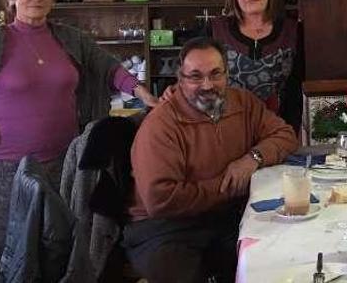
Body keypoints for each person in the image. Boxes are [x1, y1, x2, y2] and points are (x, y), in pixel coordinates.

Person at [0, 0, 157, 268]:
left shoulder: (68, 38)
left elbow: (109, 67)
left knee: (59, 245)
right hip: (6, 166)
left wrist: (143, 94)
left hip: (64, 160)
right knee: (10, 245)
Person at [125, 37, 298, 282]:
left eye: (216, 74)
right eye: (195, 76)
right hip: (164, 229)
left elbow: (285, 135)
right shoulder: (160, 125)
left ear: (227, 74)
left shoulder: (243, 102)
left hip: (224, 217)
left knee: (276, 259)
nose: (207, 85)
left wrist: (252, 159)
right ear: (180, 78)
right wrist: (227, 186)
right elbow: (161, 199)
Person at [160, 0, 302, 134]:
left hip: (276, 127)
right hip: (223, 127)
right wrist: (178, 85)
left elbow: (298, 85)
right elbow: (191, 66)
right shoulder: (216, 29)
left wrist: (291, 130)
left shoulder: (293, 31)